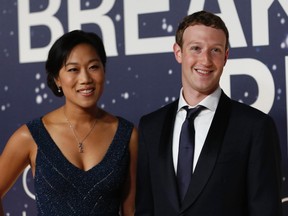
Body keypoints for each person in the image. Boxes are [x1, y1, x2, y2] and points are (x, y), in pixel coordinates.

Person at [135, 10, 282, 216]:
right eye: (196, 48)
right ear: (178, 52)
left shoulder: (255, 127)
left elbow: (265, 210)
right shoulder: (151, 126)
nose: (205, 60)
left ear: (226, 56)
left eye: (215, 50)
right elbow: (145, 209)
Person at [0, 30, 138, 215]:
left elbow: (132, 210)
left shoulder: (127, 136)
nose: (85, 79)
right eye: (73, 69)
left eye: (93, 67)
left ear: (104, 70)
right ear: (57, 78)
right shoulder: (32, 136)